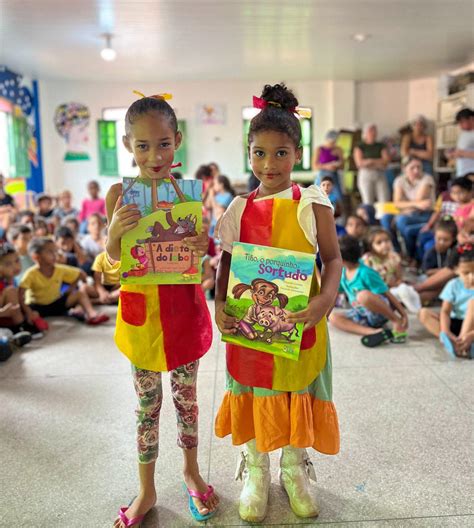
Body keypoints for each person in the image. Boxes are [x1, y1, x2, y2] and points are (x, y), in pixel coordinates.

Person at [214, 83, 341, 522]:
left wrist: (325, 300)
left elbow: (335, 258)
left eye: (281, 153)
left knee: (296, 387)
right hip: (251, 328)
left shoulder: (312, 203)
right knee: (253, 389)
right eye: (260, 153)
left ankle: (293, 467)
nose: (270, 164)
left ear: (299, 154)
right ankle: (256, 469)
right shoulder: (236, 209)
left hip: (301, 323)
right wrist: (219, 307)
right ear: (248, 154)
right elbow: (226, 268)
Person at [106, 93, 218, 527]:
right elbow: (110, 264)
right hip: (142, 317)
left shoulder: (186, 193)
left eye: (164, 144)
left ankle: (191, 472)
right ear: (128, 146)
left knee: (186, 399)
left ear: (179, 141)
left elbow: (200, 258)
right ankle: (146, 489)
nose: (155, 155)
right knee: (147, 405)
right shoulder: (120, 193)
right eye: (143, 146)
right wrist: (115, 232)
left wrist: (200, 245)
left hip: (183, 313)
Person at [329, 235, 408, 347]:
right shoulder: (343, 272)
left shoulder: (366, 273)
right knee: (333, 317)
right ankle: (374, 332)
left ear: (341, 259)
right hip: (361, 314)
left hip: (379, 312)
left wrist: (402, 315)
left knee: (363, 296)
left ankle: (396, 322)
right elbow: (335, 293)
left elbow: (387, 293)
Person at [19, 237, 109, 325]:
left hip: (56, 303)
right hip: (38, 306)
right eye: (50, 251)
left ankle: (92, 314)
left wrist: (70, 289)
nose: (55, 254)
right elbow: (20, 293)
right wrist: (28, 312)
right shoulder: (30, 274)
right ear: (36, 257)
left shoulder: (59, 269)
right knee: (28, 317)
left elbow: (80, 274)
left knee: (80, 294)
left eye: (55, 251)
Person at [419, 243, 474, 359]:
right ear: (455, 270)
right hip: (454, 323)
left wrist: (471, 334)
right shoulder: (453, 285)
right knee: (424, 313)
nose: (472, 277)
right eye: (466, 273)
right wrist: (445, 330)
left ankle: (464, 342)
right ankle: (453, 341)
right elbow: (445, 311)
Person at [381, 157, 435, 259]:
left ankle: (410, 255)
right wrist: (413, 205)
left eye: (419, 167)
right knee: (385, 218)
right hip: (405, 213)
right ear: (404, 168)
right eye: (412, 168)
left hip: (424, 214)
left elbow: (421, 202)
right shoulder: (399, 180)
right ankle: (397, 252)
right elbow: (397, 203)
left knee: (402, 221)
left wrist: (405, 205)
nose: (416, 170)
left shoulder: (427, 179)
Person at [362, 227, 421, 313]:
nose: (384, 244)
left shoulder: (394, 257)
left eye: (387, 241)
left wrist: (397, 283)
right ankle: (415, 309)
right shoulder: (368, 259)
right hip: (376, 292)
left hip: (392, 290)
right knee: (403, 292)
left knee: (404, 289)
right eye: (379, 243)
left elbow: (398, 276)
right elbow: (367, 281)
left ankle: (417, 309)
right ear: (371, 247)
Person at [0, 242, 45, 338]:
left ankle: (22, 326)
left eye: (17, 261)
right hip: (3, 320)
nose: (15, 266)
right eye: (8, 264)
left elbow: (20, 301)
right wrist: (4, 312)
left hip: (12, 319)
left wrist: (29, 313)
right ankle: (21, 328)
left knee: (32, 311)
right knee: (11, 291)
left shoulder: (14, 280)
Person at [353, 124, 390, 205]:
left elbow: (386, 161)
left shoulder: (381, 145)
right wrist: (378, 162)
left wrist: (370, 161)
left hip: (380, 173)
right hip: (366, 175)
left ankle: (383, 217)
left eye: (375, 130)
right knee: (368, 200)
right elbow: (359, 163)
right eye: (371, 131)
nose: (373, 133)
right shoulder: (360, 146)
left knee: (384, 199)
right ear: (365, 133)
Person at [313, 130, 344, 200]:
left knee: (338, 198)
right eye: (331, 142)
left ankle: (336, 210)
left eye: (334, 142)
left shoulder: (338, 150)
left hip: (334, 176)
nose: (332, 144)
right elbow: (314, 166)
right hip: (322, 176)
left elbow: (343, 167)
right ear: (327, 140)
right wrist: (327, 166)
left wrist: (337, 165)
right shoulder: (319, 149)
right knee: (319, 197)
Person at [446, 108, 474, 177]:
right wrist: (452, 153)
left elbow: (461, 152)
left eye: (462, 122)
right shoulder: (463, 134)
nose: (460, 125)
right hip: (461, 173)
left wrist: (461, 153)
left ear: (471, 119)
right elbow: (460, 150)